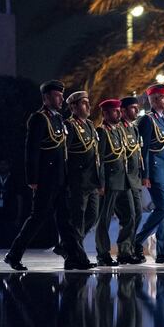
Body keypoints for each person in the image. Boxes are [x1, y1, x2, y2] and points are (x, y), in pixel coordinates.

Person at [4, 80, 93, 271]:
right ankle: (13, 255)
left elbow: (64, 153)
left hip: (60, 179)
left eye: (61, 95)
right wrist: (33, 179)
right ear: (46, 98)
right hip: (45, 179)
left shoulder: (58, 119)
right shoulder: (39, 118)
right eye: (56, 95)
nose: (61, 98)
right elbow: (32, 151)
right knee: (37, 218)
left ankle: (76, 258)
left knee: (65, 221)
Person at [133, 83, 164, 263]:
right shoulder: (147, 120)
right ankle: (137, 241)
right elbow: (144, 149)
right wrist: (145, 174)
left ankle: (162, 252)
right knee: (161, 208)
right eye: (163, 97)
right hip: (153, 170)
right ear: (153, 100)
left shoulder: (163, 120)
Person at [95, 99, 135, 266]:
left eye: (119, 110)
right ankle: (103, 254)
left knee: (130, 216)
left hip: (123, 180)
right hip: (110, 181)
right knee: (104, 219)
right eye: (115, 111)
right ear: (105, 114)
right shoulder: (102, 131)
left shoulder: (119, 130)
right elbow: (100, 159)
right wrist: (101, 182)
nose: (119, 113)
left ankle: (124, 252)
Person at [63, 90, 101, 245]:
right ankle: (76, 252)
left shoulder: (90, 124)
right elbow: (64, 154)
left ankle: (68, 245)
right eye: (84, 103)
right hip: (78, 179)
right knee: (78, 218)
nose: (88, 106)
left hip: (92, 179)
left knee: (92, 216)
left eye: (88, 103)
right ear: (73, 107)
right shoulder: (69, 125)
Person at [116, 96, 145, 264]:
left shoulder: (133, 129)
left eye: (136, 107)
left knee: (138, 215)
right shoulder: (118, 128)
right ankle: (124, 251)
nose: (136, 110)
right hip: (123, 179)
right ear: (123, 111)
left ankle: (130, 247)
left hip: (134, 179)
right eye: (133, 108)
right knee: (129, 215)